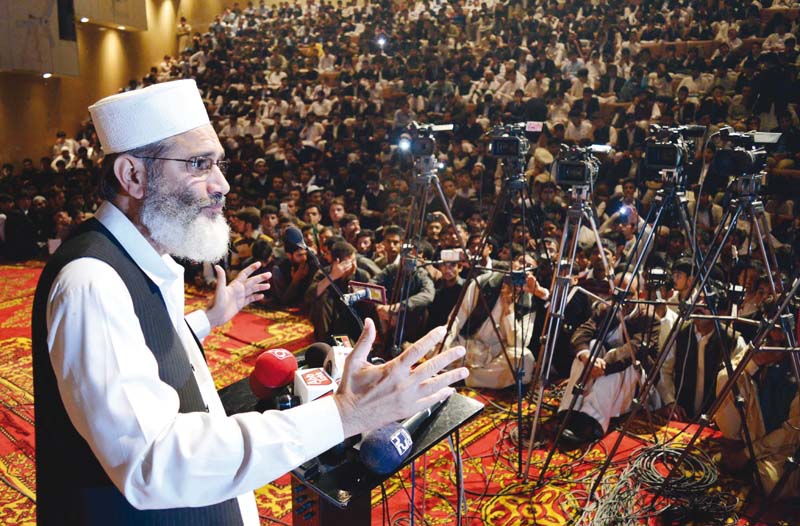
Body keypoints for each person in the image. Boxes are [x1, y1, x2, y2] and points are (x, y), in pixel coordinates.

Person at [31, 80, 468, 525]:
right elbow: (153, 464)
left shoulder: (142, 256)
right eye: (199, 164)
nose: (221, 184)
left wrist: (205, 321)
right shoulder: (92, 283)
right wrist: (343, 414)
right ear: (133, 176)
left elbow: (135, 345)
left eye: (218, 164)